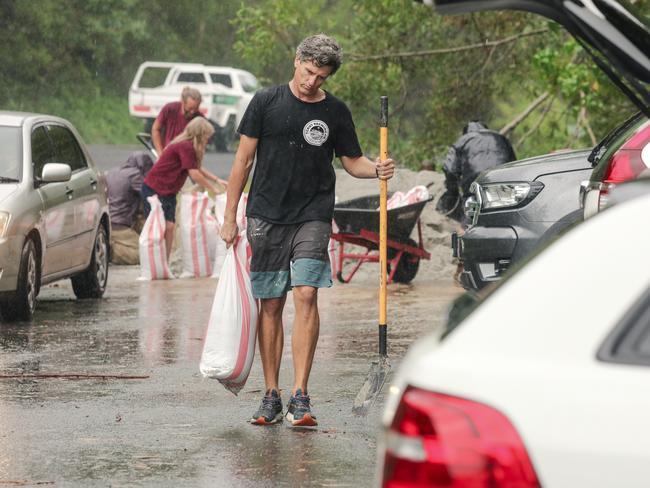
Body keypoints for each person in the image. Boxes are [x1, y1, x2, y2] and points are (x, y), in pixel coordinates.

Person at [220, 34, 395, 427]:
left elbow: (352, 162)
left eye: (321, 76)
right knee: (271, 304)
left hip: (313, 213)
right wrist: (230, 216)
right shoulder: (265, 102)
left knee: (306, 293)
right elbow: (242, 161)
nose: (312, 81)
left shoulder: (335, 112)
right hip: (265, 214)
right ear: (296, 60)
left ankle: (300, 394)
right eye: (309, 70)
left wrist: (377, 169)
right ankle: (270, 394)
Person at [142, 117, 226, 261]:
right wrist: (213, 189)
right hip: (155, 189)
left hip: (168, 192)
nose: (208, 141)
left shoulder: (188, 147)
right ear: (199, 134)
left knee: (169, 227)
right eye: (206, 137)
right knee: (158, 229)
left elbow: (197, 168)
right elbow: (194, 174)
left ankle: (164, 264)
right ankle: (153, 262)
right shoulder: (185, 147)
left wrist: (217, 180)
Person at [436, 120, 516, 224]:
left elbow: (449, 169)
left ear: (466, 132)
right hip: (504, 189)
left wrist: (452, 192)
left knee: (471, 224)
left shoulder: (462, 141)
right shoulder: (501, 138)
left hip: (475, 191)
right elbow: (515, 166)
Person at [106, 151, 154, 265]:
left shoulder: (111, 172)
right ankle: (111, 252)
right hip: (121, 227)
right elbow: (150, 195)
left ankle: (108, 244)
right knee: (146, 253)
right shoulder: (135, 175)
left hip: (106, 223)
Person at [151, 86, 204, 156]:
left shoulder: (199, 118)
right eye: (190, 108)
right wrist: (160, 153)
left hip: (186, 156)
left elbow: (201, 143)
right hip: (167, 152)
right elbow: (156, 129)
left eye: (196, 108)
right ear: (183, 102)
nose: (192, 112)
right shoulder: (170, 109)